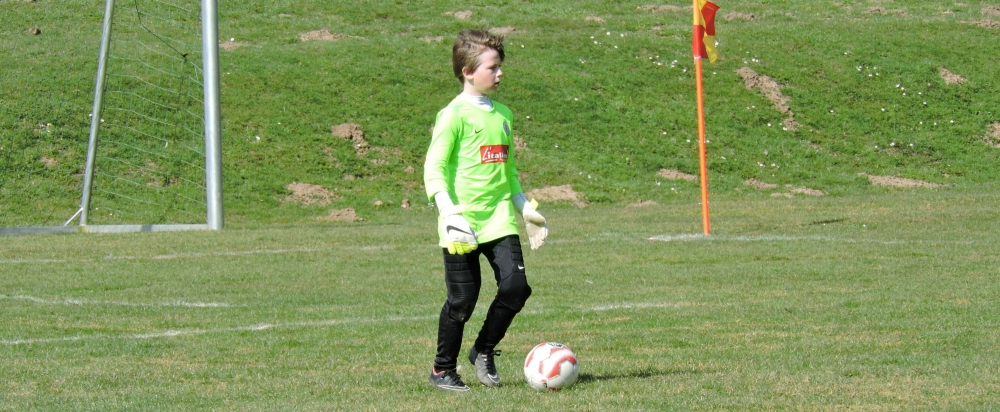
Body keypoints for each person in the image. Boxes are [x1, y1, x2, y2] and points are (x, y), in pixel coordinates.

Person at [423, 28, 548, 392]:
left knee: (516, 288)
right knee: (463, 300)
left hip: (499, 220)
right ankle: (442, 370)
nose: (499, 73)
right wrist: (449, 213)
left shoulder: (504, 114)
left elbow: (508, 171)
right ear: (467, 71)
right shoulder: (452, 115)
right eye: (492, 67)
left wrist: (524, 208)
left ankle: (483, 349)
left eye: (499, 66)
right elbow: (433, 168)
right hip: (461, 223)